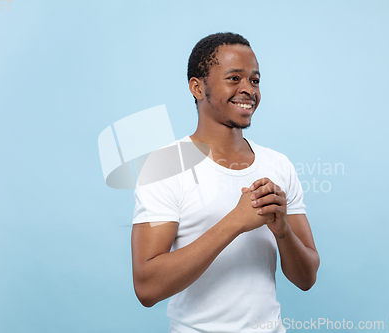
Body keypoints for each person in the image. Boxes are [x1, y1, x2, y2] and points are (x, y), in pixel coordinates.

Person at [131, 32, 320, 333]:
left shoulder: (278, 165)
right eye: (234, 78)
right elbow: (147, 287)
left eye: (255, 80)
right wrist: (234, 222)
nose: (248, 90)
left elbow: (306, 278)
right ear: (197, 87)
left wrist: (283, 230)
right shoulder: (165, 166)